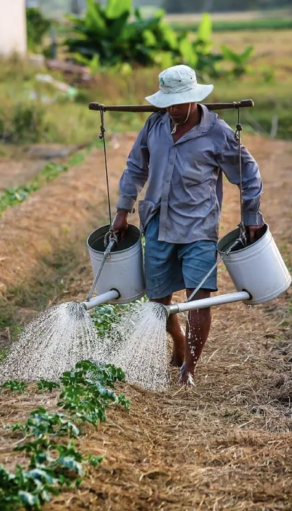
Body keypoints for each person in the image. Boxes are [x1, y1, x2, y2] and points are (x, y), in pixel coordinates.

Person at [111, 64, 265, 387]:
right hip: (157, 223)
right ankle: (178, 340)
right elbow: (135, 167)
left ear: (194, 99)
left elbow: (248, 174)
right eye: (168, 103)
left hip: (198, 228)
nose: (174, 109)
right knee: (159, 302)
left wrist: (251, 216)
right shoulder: (154, 125)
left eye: (180, 103)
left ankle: (188, 370)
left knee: (199, 298)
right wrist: (123, 210)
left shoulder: (217, 133)